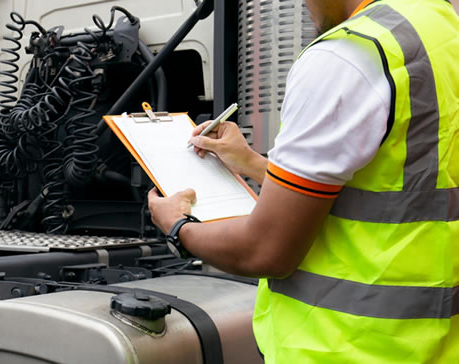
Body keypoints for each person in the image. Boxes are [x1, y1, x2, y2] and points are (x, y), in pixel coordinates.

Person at [147, 0, 459, 362]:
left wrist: (176, 225)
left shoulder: (349, 55)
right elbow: (402, 192)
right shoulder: (441, 29)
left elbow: (265, 250)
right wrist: (253, 163)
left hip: (343, 347)